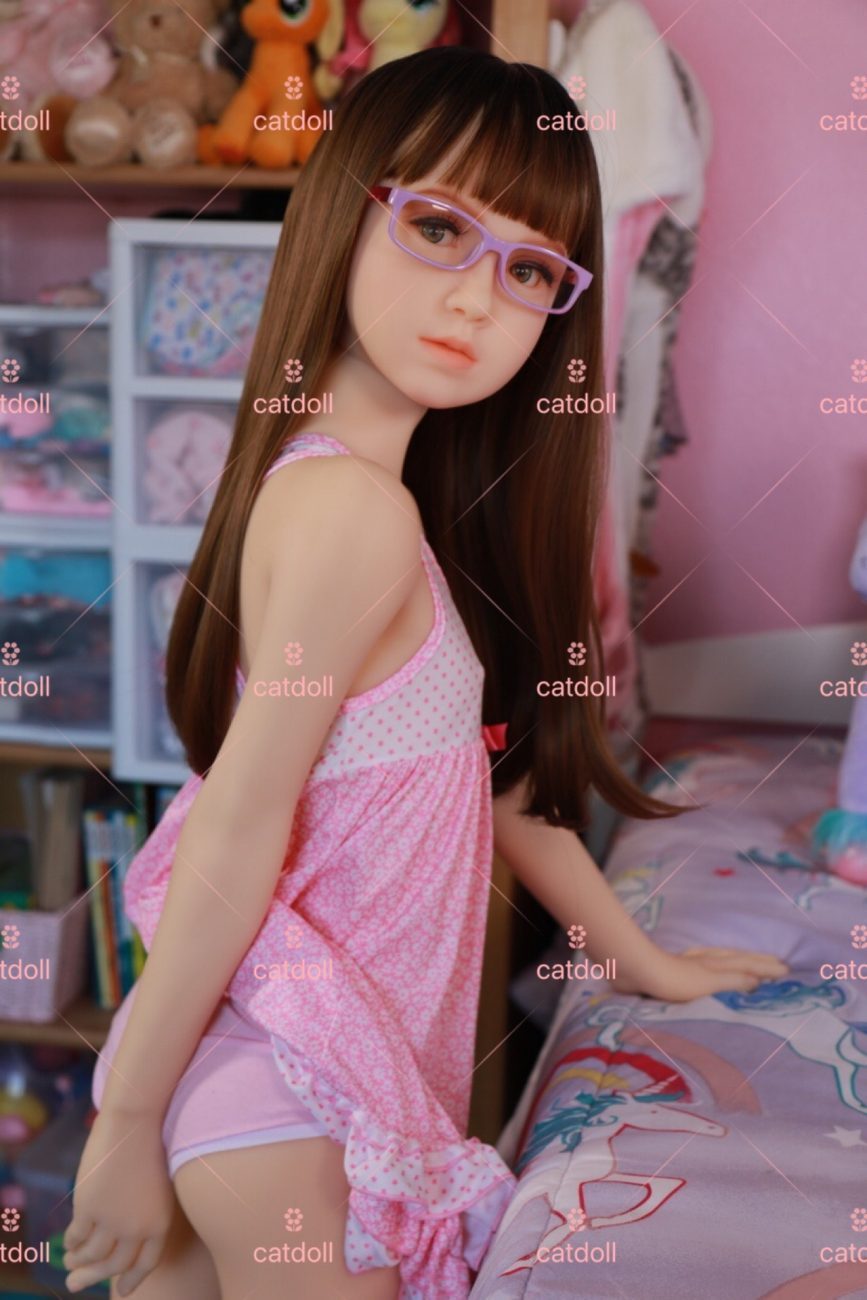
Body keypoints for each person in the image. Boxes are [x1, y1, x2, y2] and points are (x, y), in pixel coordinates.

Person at [63, 45, 788, 1300]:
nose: (475, 300)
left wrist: (643, 959)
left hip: (267, 1088)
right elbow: (238, 822)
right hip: (295, 1106)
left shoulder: (366, 500)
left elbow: (485, 784)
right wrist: (122, 1123)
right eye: (438, 228)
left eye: (528, 270)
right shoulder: (353, 514)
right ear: (344, 213)